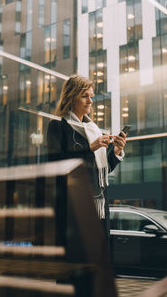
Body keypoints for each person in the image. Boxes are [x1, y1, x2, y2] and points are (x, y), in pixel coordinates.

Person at [47, 74, 126, 243]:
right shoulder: (58, 125)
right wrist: (90, 148)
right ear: (70, 97)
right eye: (85, 96)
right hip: (73, 205)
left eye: (91, 96)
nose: (90, 101)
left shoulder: (93, 130)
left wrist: (117, 150)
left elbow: (101, 170)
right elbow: (55, 163)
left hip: (99, 206)